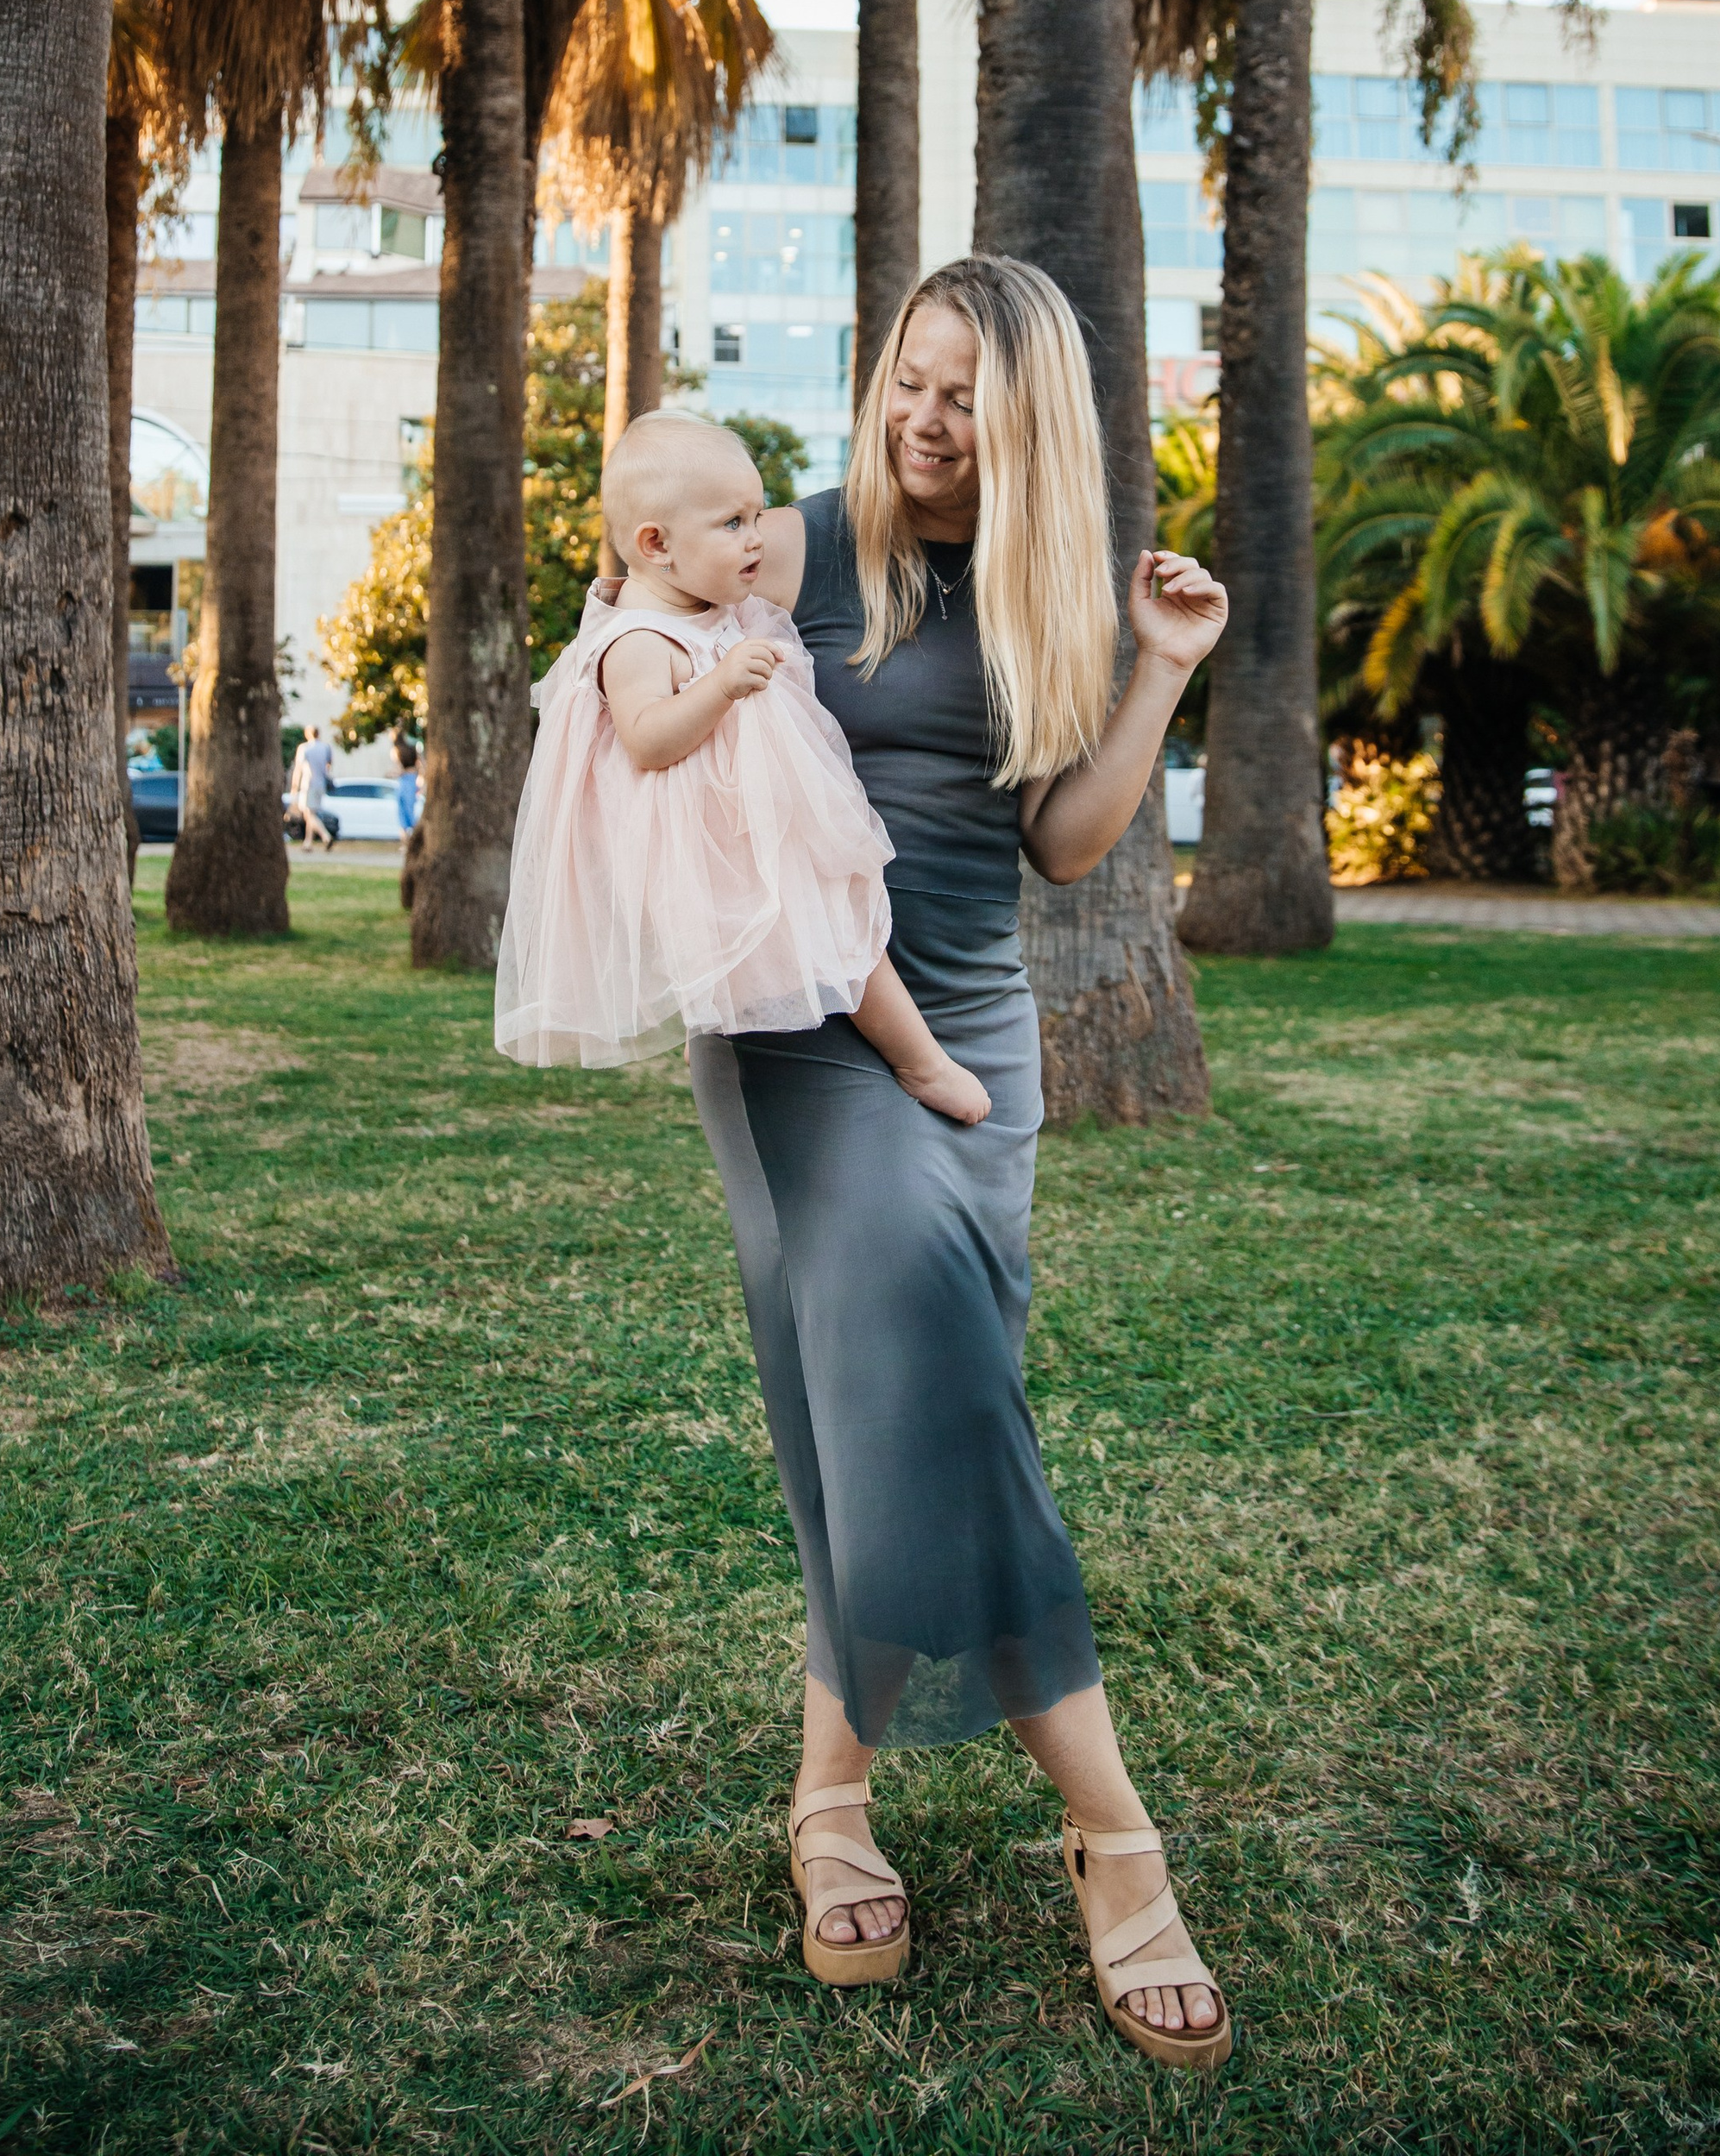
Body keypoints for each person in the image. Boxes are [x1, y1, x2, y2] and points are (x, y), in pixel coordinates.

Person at [688, 254, 1234, 2070]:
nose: (926, 423)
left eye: (964, 400)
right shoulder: (793, 543)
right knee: (914, 1354)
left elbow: (1063, 843)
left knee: (904, 1398)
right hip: (799, 1034)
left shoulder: (1055, 586)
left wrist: (1155, 677)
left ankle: (827, 1792)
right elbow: (653, 710)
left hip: (976, 1045)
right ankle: (1114, 1828)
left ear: (1029, 425)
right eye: (908, 385)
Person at [496, 412, 993, 1124]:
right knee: (835, 930)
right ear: (656, 544)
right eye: (732, 523)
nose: (757, 536)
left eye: (757, 514)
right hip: (714, 847)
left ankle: (905, 1055)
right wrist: (720, 685)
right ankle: (923, 1062)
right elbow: (646, 739)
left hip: (755, 817)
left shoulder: (709, 606)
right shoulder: (638, 638)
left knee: (841, 918)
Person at [287, 724, 334, 852]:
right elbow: (329, 765)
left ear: (308, 734)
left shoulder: (305, 748)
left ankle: (326, 836)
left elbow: (299, 768)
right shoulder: (326, 747)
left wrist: (294, 786)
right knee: (310, 813)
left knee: (309, 813)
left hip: (309, 784)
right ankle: (308, 843)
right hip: (321, 784)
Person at [393, 728, 419, 836]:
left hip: (404, 781)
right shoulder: (412, 748)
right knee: (410, 811)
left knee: (403, 815)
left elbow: (399, 770)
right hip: (412, 779)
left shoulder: (397, 750)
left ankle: (406, 841)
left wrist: (391, 774)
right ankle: (413, 835)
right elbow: (420, 765)